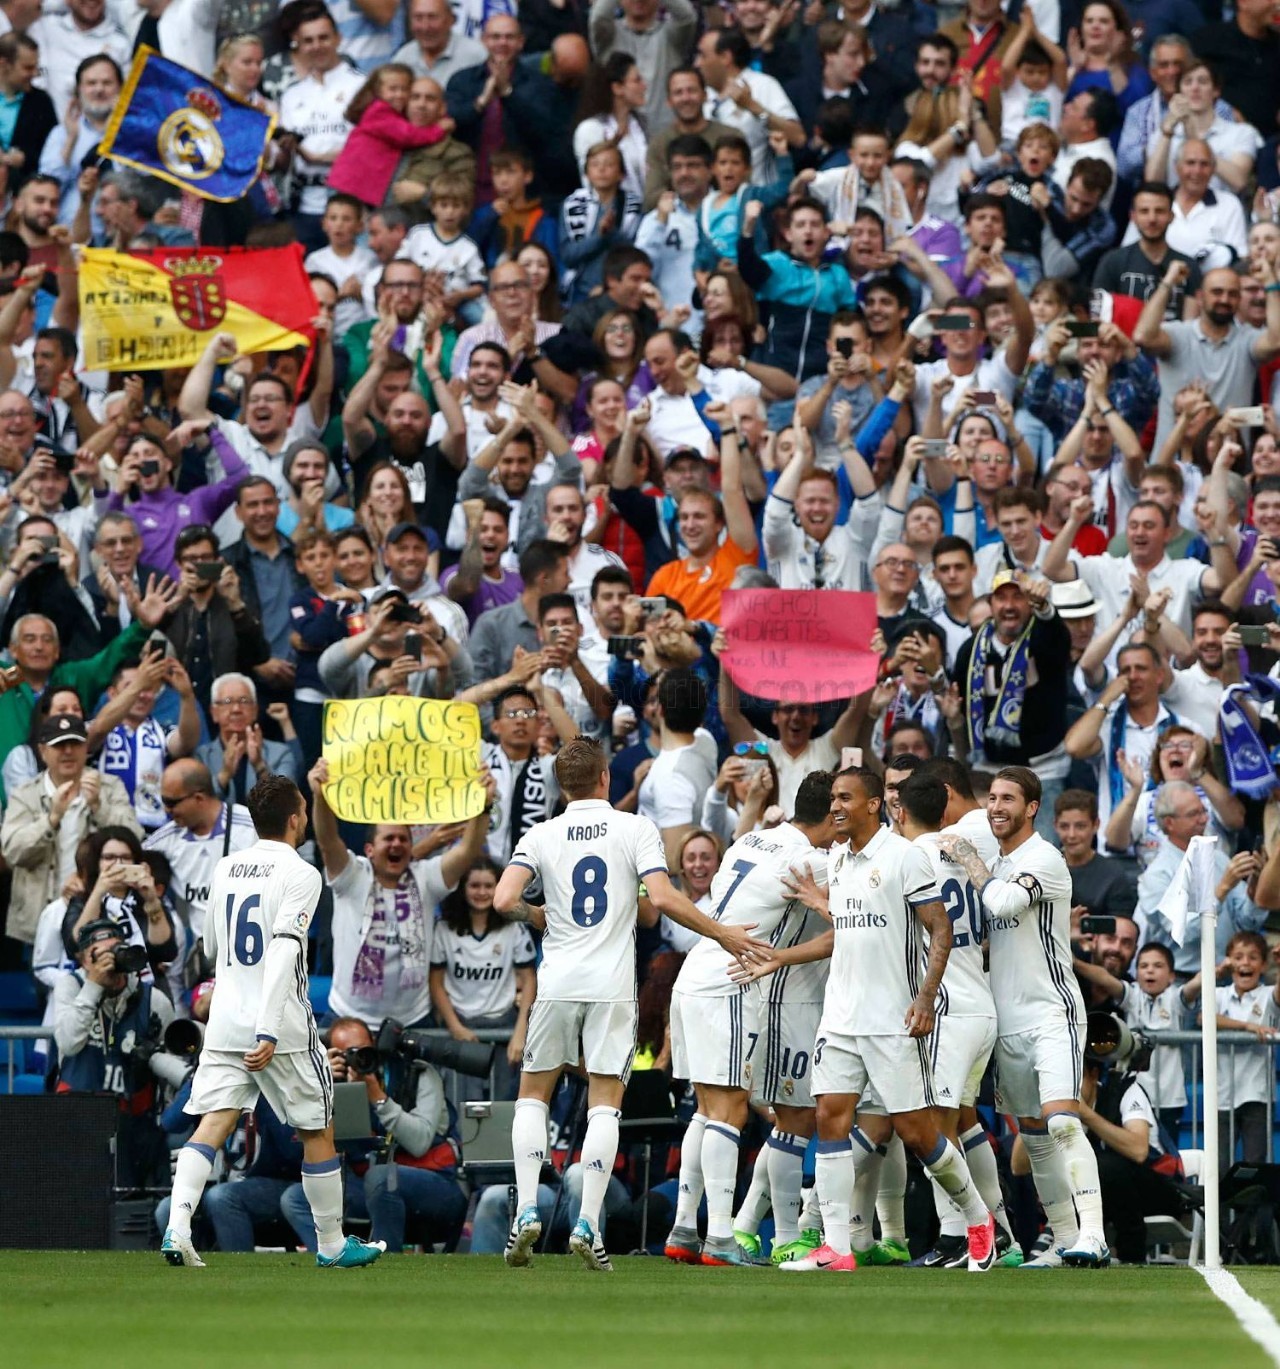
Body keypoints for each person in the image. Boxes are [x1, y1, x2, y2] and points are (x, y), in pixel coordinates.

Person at [492, 734, 770, 1271]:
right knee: (604, 1103)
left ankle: (526, 1208)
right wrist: (723, 934)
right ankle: (590, 1223)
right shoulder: (634, 827)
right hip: (611, 986)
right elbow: (660, 902)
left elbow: (505, 898)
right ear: (605, 779)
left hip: (556, 980)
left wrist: (535, 916)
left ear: (561, 785)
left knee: (533, 1096)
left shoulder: (541, 833)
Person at [773, 766, 995, 1274]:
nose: (836, 807)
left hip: (892, 1019)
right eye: (832, 798)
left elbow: (941, 928)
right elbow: (851, 932)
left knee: (917, 1132)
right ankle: (836, 1248)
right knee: (830, 1116)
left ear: (874, 804)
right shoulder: (840, 861)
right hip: (841, 1017)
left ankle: (980, 1220)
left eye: (845, 798)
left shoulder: (904, 857)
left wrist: (926, 997)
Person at [159, 774, 385, 1269]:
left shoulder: (227, 867)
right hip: (277, 1023)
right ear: (293, 819)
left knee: (213, 1122)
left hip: (223, 1019)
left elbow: (212, 947)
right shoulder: (300, 873)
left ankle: (177, 1228)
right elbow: (284, 948)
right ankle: (330, 1245)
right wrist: (266, 1027)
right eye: (304, 809)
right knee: (318, 1127)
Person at [663, 769, 835, 1267]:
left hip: (694, 972)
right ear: (830, 816)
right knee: (730, 1110)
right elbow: (866, 907)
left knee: (704, 1107)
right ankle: (719, 1236)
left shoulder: (752, 839)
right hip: (732, 981)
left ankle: (682, 1228)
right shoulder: (810, 862)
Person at [940, 765, 1109, 1268]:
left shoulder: (1046, 859)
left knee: (1061, 1122)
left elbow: (1005, 899)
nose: (996, 807)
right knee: (1033, 1134)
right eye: (991, 798)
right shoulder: (1000, 858)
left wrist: (969, 856)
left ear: (1031, 808)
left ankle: (1094, 1235)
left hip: (1052, 1010)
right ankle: (1061, 1239)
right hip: (1007, 1016)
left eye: (1008, 799)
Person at [1, 713, 140, 947]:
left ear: (86, 747)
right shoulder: (25, 794)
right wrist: (51, 819)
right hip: (38, 920)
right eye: (59, 745)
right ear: (43, 751)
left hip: (102, 918)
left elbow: (134, 842)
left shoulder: (109, 788)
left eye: (74, 743)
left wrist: (99, 807)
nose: (67, 751)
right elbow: (13, 852)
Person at [429, 856, 536, 1102]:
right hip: (462, 1027)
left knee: (503, 1103)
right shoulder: (444, 929)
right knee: (462, 1101)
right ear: (463, 888)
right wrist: (455, 1026)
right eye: (474, 885)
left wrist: (521, 1031)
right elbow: (436, 981)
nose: (482, 892)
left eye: (489, 886)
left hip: (503, 1025)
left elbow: (529, 979)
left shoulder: (513, 928)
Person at [144, 759, 258, 941]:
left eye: (171, 802)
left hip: (253, 949)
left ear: (199, 798)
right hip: (204, 953)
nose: (166, 810)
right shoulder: (165, 839)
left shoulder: (252, 828)